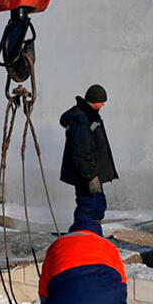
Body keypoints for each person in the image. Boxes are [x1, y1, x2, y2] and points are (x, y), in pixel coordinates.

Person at [59, 84, 118, 225]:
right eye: (102, 101)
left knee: (98, 206)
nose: (103, 104)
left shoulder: (91, 116)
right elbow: (81, 153)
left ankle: (92, 233)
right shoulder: (81, 120)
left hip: (93, 173)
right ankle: (83, 234)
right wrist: (91, 177)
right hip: (86, 176)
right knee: (88, 207)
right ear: (95, 100)